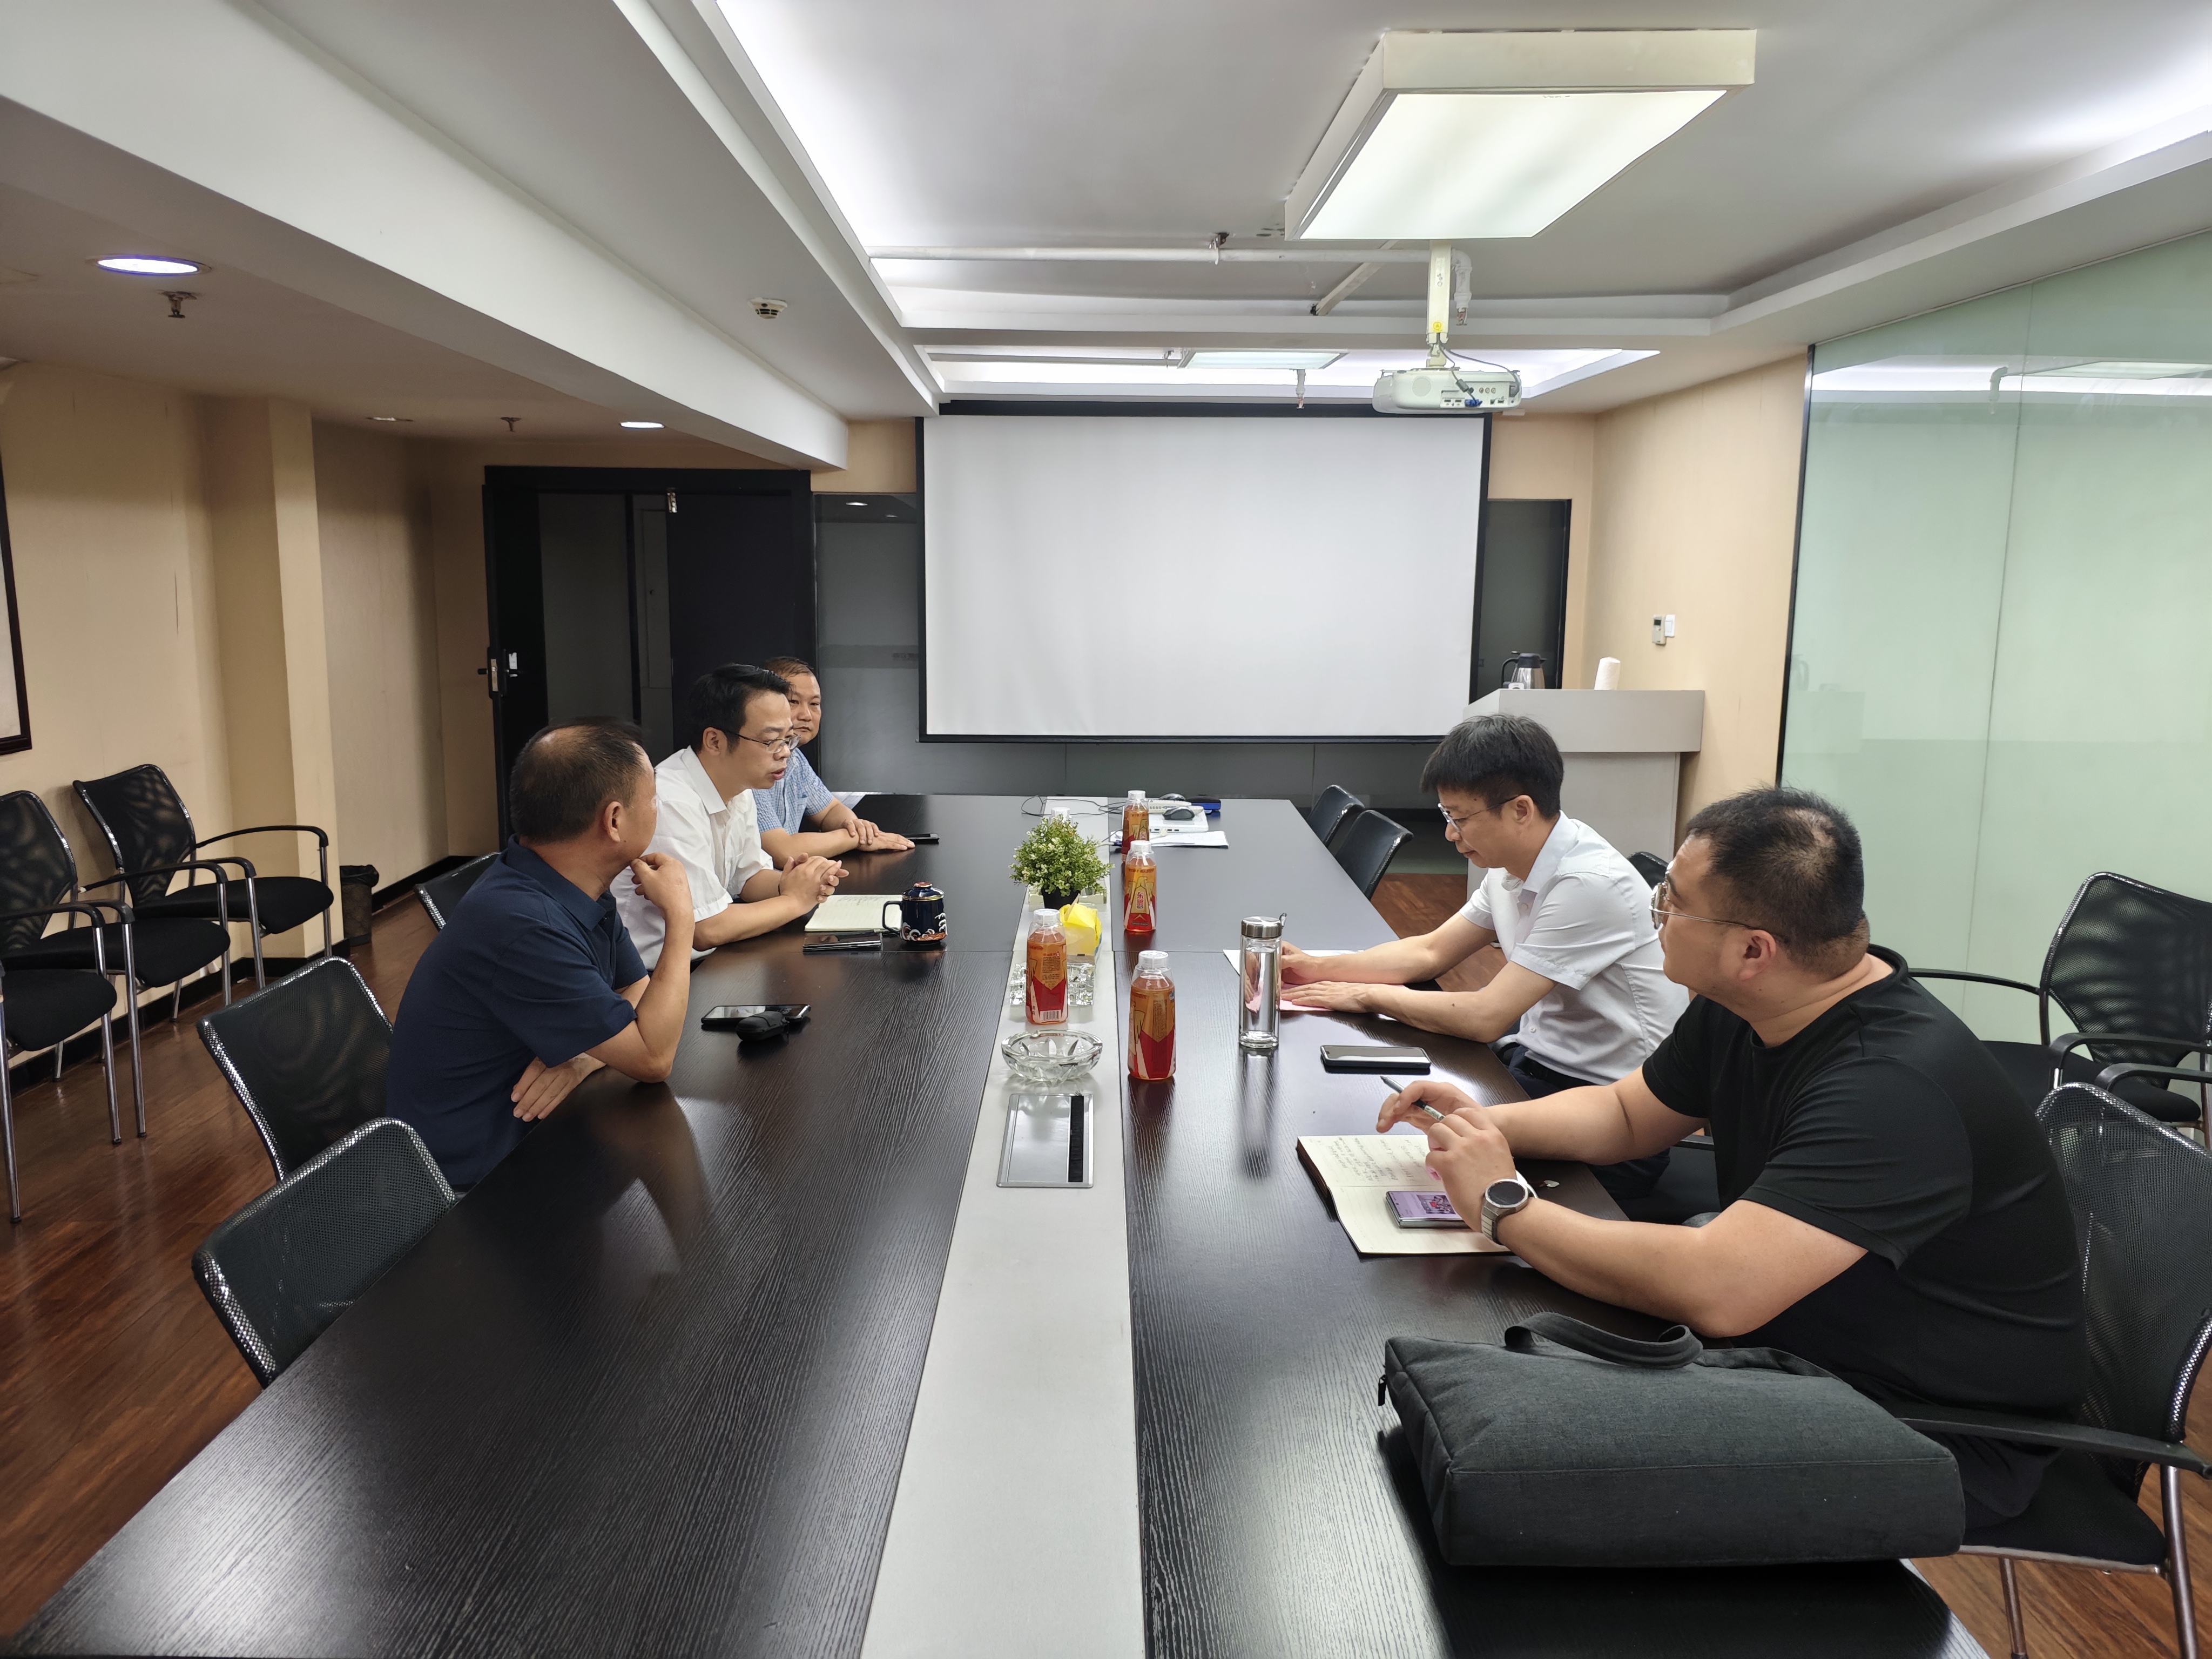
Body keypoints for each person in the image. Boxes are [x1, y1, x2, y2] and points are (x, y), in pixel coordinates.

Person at [1377, 787, 2087, 1529]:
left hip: (1929, 1429)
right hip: (1792, 1344)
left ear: (1754, 950)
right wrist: (1486, 1126)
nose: (1654, 911)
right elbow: (1627, 1114)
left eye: (1672, 902)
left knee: (1520, 1468)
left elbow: (1719, 1290)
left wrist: (1504, 1206)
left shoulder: (1894, 1086)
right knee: (1487, 1407)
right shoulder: (1754, 1003)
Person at [1284, 714, 1687, 1200]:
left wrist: (1368, 995)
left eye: (1460, 818)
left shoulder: (1587, 884)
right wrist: (1315, 966)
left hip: (1606, 1119)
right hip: (1538, 1070)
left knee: (1389, 1161)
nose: (1450, 833)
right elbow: (1431, 951)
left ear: (1521, 810)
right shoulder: (1513, 865)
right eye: (1446, 815)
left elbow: (1485, 1017)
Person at [385, 720, 697, 1189]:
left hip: (544, 1130)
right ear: (614, 821)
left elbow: (635, 987)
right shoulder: (525, 923)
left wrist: (585, 1057)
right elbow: (653, 1057)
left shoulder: (567, 877)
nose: (659, 807)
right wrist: (681, 915)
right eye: (653, 798)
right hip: (475, 1184)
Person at [612, 663, 846, 966]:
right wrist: (794, 900)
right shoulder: (671, 802)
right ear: (715, 741)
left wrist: (797, 882)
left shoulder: (739, 787)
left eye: (788, 739)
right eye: (770, 740)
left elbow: (748, 878)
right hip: (655, 973)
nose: (785, 752)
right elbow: (705, 929)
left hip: (708, 960)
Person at [754, 655, 913, 862]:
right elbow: (783, 852)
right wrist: (854, 839)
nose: (807, 715)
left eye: (814, 704)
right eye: (793, 702)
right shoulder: (751, 762)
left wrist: (855, 827)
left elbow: (831, 810)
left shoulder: (796, 758)